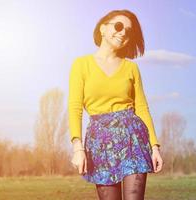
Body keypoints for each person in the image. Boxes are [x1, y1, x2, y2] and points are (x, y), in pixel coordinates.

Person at [68, 9, 164, 200]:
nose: (123, 33)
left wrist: (155, 147)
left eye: (128, 32)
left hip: (133, 139)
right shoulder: (81, 64)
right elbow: (75, 107)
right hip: (100, 142)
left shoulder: (131, 68)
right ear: (103, 28)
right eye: (119, 26)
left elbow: (142, 109)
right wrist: (78, 148)